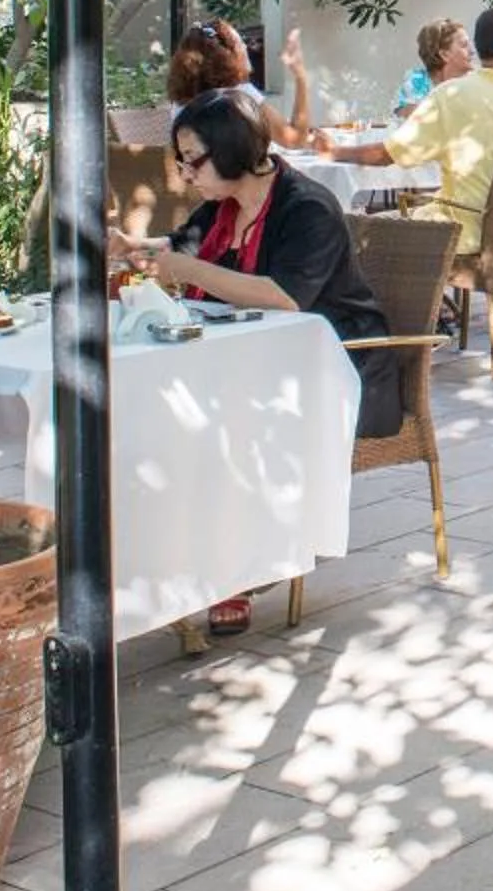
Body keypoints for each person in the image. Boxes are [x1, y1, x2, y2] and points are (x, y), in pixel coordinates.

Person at [106, 89, 398, 640]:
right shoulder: (223, 210)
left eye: (193, 159)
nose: (185, 173)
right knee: (166, 411)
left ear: (233, 151)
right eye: (181, 160)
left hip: (336, 369)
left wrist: (176, 266)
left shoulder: (305, 207)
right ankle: (170, 553)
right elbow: (181, 245)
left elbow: (283, 296)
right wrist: (133, 247)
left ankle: (230, 573)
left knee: (215, 419)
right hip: (256, 363)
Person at [323, 5, 493, 256]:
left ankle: (409, 294)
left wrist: (335, 152)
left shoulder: (448, 96)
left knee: (362, 230)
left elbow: (388, 154)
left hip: (462, 236)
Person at [125, 19, 313, 151]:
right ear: (228, 56)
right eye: (241, 44)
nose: (246, 48)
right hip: (242, 199)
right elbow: (294, 140)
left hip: (194, 198)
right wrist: (301, 77)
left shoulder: (180, 104)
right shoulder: (241, 96)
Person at [396, 18, 472, 114]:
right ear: (444, 55)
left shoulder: (473, 81)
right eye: (464, 45)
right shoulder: (417, 81)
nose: (472, 51)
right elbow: (410, 117)